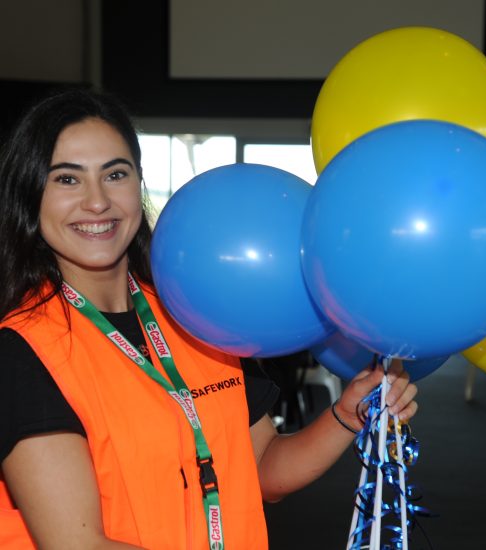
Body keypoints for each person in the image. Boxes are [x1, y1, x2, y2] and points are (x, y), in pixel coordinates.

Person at [0, 88, 418, 549]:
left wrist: (347, 413)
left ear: (138, 184)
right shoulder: (23, 351)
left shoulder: (194, 312)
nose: (97, 202)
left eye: (114, 174)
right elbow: (76, 544)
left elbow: (262, 469)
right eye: (67, 179)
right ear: (31, 194)